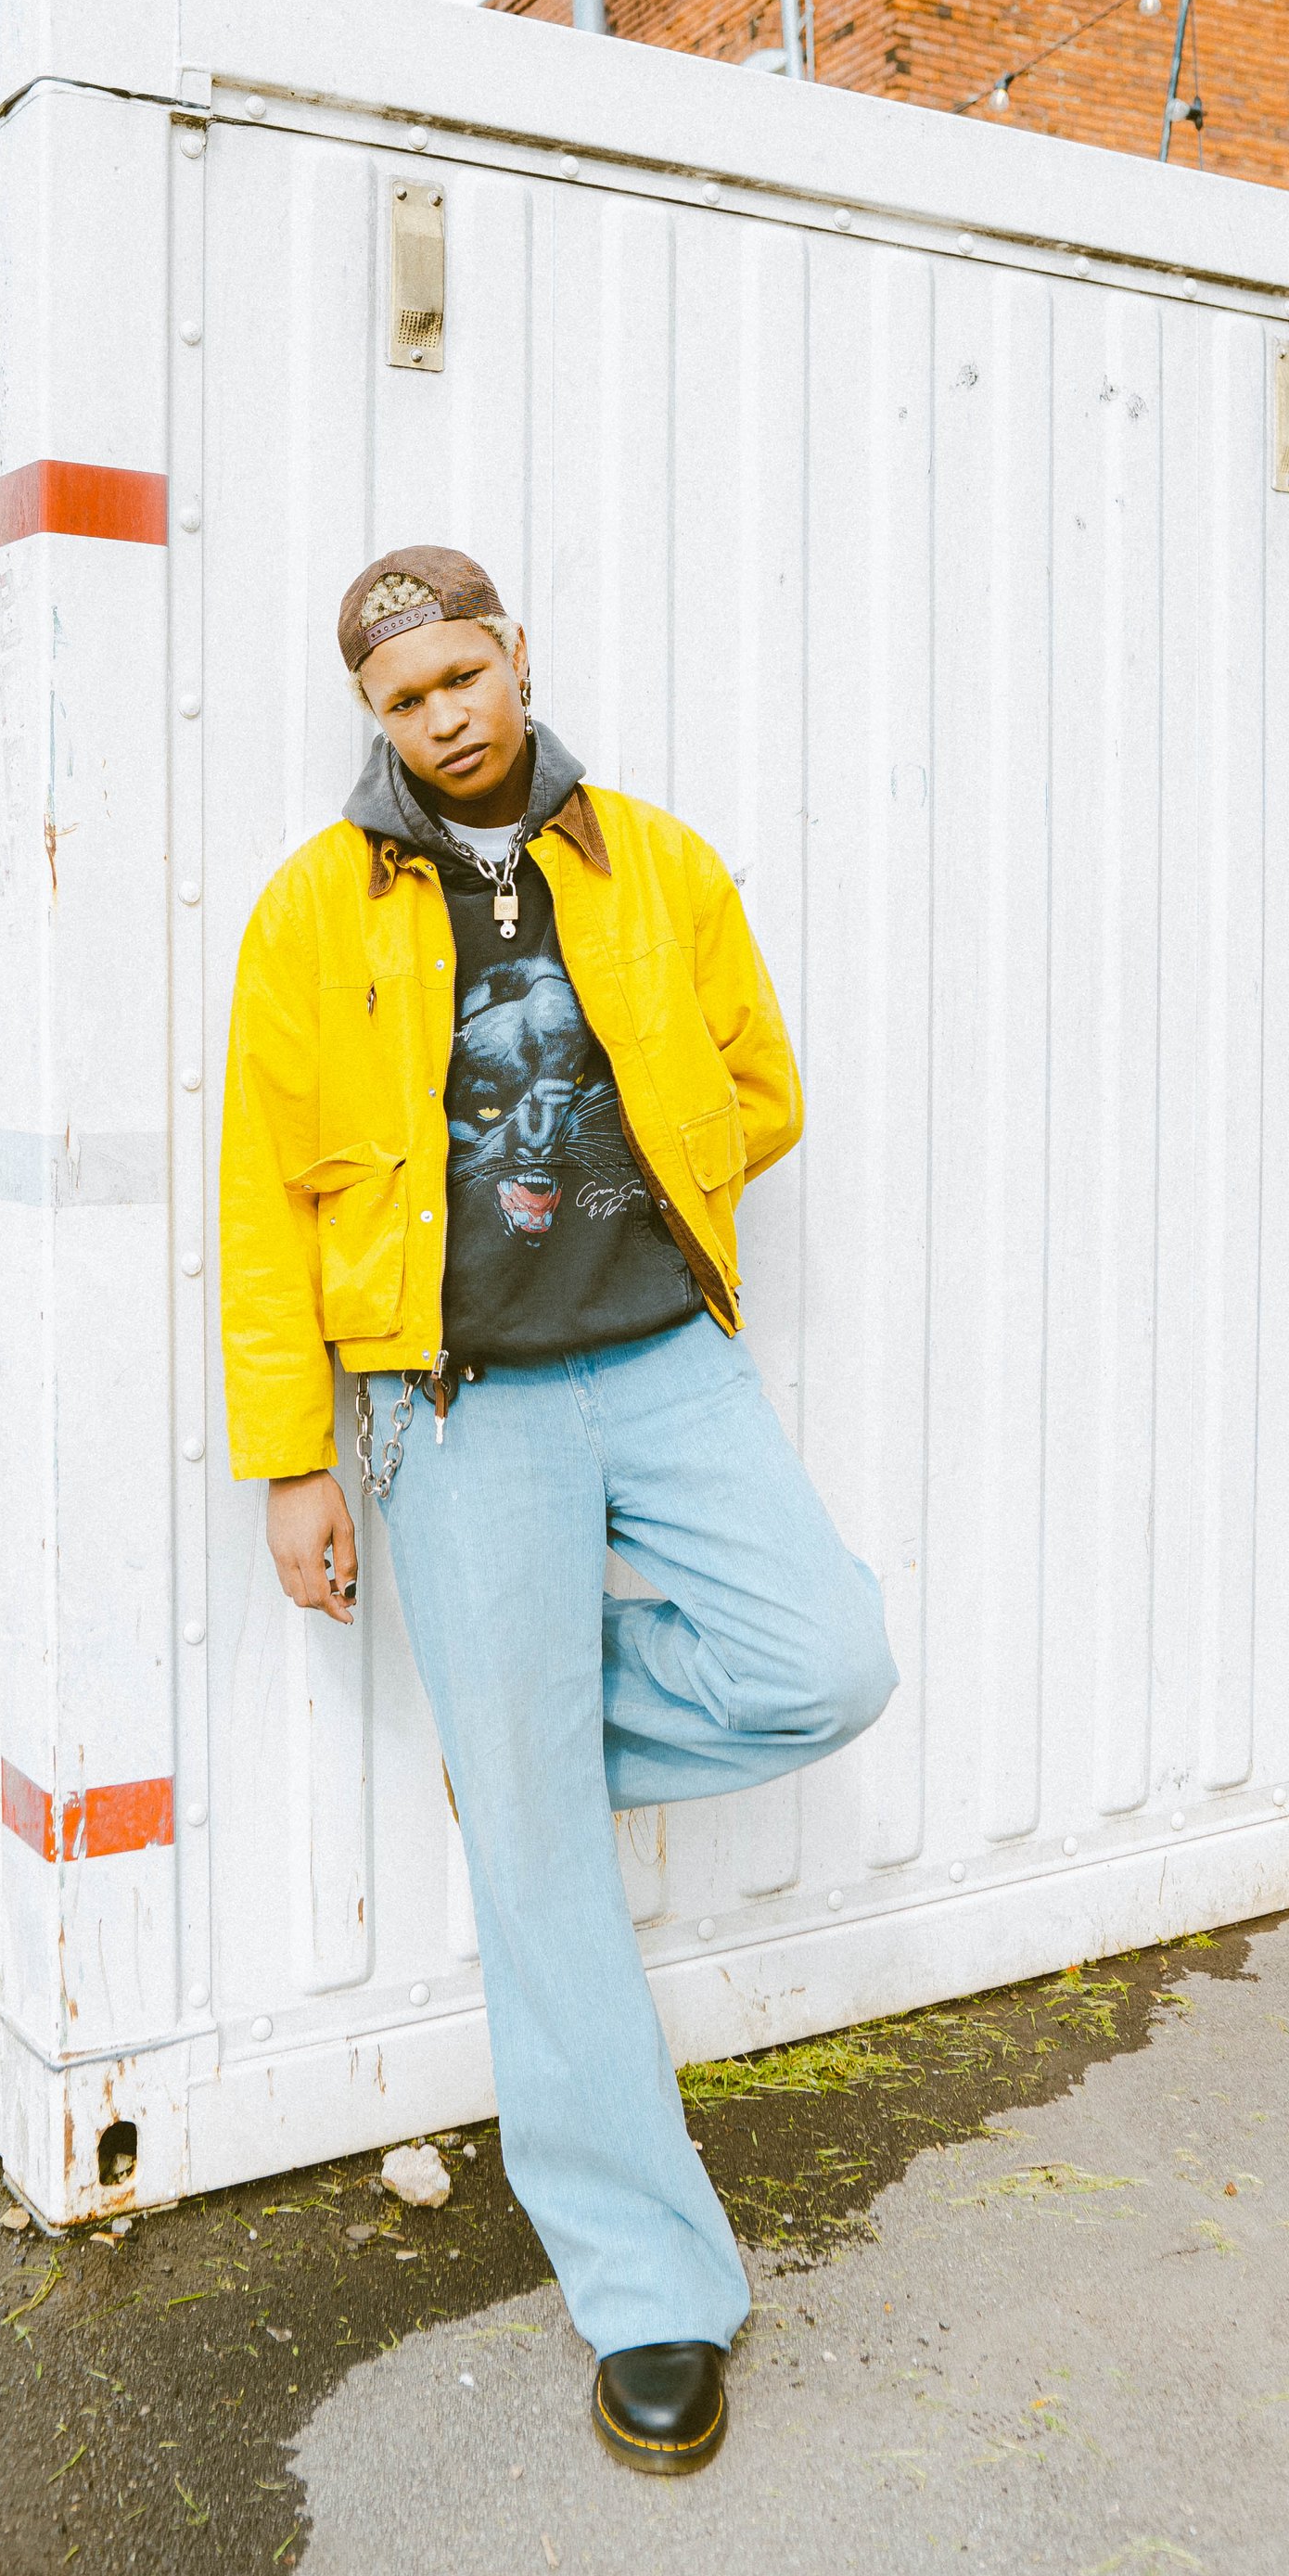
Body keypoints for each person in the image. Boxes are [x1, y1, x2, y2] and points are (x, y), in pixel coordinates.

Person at [219, 544, 895, 2474]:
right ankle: (649, 2289)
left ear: (515, 656)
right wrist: (292, 1457)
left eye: (464, 673)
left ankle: (518, 1742)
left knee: (825, 1659)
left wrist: (643, 1163)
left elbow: (760, 1085)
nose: (445, 715)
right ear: (372, 714)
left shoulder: (654, 862)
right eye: (403, 697)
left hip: (664, 1360)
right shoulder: (313, 908)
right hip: (455, 1402)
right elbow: (264, 1195)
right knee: (544, 1875)